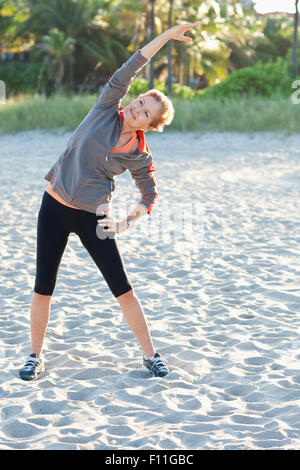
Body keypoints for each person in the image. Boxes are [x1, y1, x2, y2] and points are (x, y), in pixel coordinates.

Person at [19, 22, 201, 381]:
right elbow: (133, 64)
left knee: (123, 288)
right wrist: (166, 36)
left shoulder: (139, 156)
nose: (136, 108)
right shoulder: (106, 107)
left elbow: (149, 195)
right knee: (44, 287)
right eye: (139, 101)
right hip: (54, 207)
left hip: (93, 218)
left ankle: (151, 355)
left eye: (145, 110)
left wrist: (123, 222)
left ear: (150, 124)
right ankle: (34, 356)